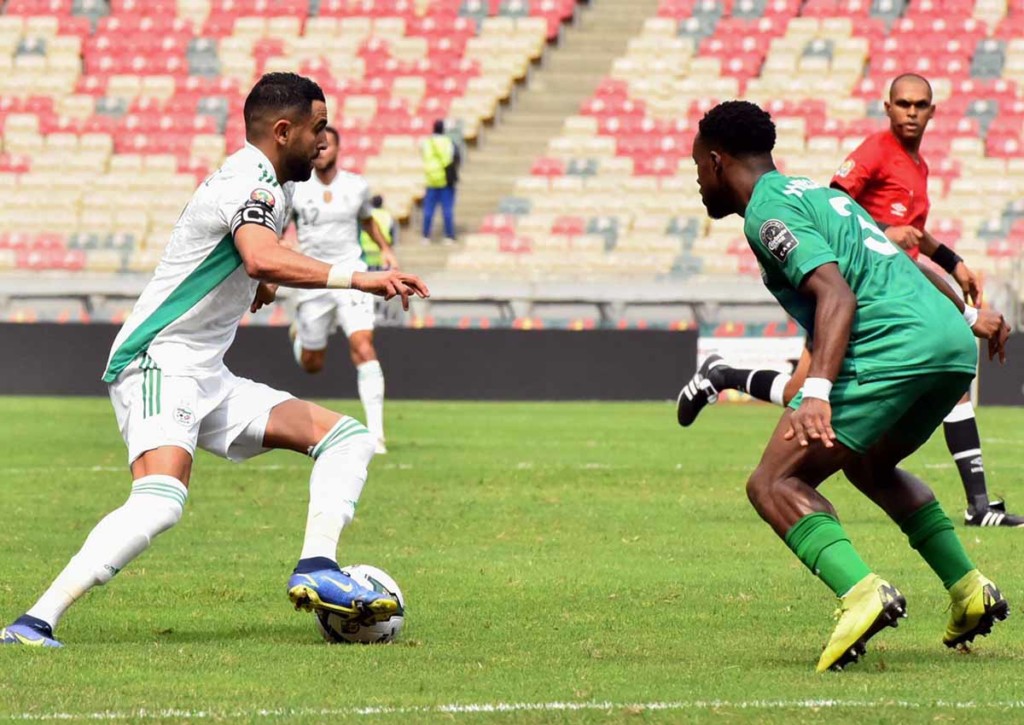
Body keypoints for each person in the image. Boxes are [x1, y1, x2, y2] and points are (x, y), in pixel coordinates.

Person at [0, 72, 429, 648]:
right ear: (283, 130)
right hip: (158, 360)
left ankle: (316, 566)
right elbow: (257, 257)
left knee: (345, 438)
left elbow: (250, 263)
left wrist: (265, 282)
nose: (322, 141)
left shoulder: (274, 186)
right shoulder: (252, 182)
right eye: (316, 129)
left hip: (205, 372)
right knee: (161, 501)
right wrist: (360, 277)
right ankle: (34, 622)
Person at [688, 100, 1010, 672]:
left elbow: (836, 294)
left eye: (696, 169)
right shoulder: (818, 194)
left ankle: (862, 592)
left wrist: (817, 391)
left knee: (773, 482)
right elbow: (899, 257)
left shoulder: (767, 214)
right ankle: (968, 590)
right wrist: (963, 320)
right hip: (948, 348)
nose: (696, 182)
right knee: (870, 465)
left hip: (893, 349)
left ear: (716, 161)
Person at [677, 74, 1023, 528]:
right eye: (903, 103)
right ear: (888, 107)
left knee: (813, 396)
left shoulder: (917, 167)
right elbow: (841, 215)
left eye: (920, 105)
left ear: (934, 112)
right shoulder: (872, 154)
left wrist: (956, 274)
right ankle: (722, 374)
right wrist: (884, 237)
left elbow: (902, 244)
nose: (912, 112)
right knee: (807, 396)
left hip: (886, 301)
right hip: (850, 298)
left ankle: (723, 374)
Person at [289, 126, 399, 454]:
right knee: (313, 363)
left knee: (363, 345)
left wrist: (385, 248)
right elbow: (279, 228)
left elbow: (367, 221)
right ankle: (300, 339)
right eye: (317, 144)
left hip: (353, 274)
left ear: (338, 150)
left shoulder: (356, 186)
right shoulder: (295, 189)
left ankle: (376, 435)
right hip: (311, 279)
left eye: (327, 145)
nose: (321, 149)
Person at [420, 119, 459, 245]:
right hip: (444, 180)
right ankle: (449, 235)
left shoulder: (427, 142)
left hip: (431, 179)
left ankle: (425, 235)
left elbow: (424, 156)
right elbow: (450, 159)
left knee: (428, 210)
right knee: (447, 209)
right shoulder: (447, 142)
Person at [361, 194, 397, 270]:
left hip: (365, 253)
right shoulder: (387, 215)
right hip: (382, 255)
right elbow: (392, 233)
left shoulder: (367, 214)